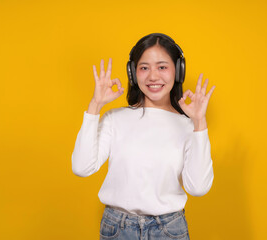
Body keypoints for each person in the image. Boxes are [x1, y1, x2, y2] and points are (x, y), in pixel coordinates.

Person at [71, 33, 215, 240]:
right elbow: (81, 168)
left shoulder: (189, 126)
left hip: (169, 229)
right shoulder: (115, 119)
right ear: (133, 73)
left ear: (178, 71)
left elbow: (199, 188)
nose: (153, 76)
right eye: (144, 67)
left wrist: (199, 123)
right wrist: (95, 106)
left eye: (162, 67)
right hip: (118, 229)